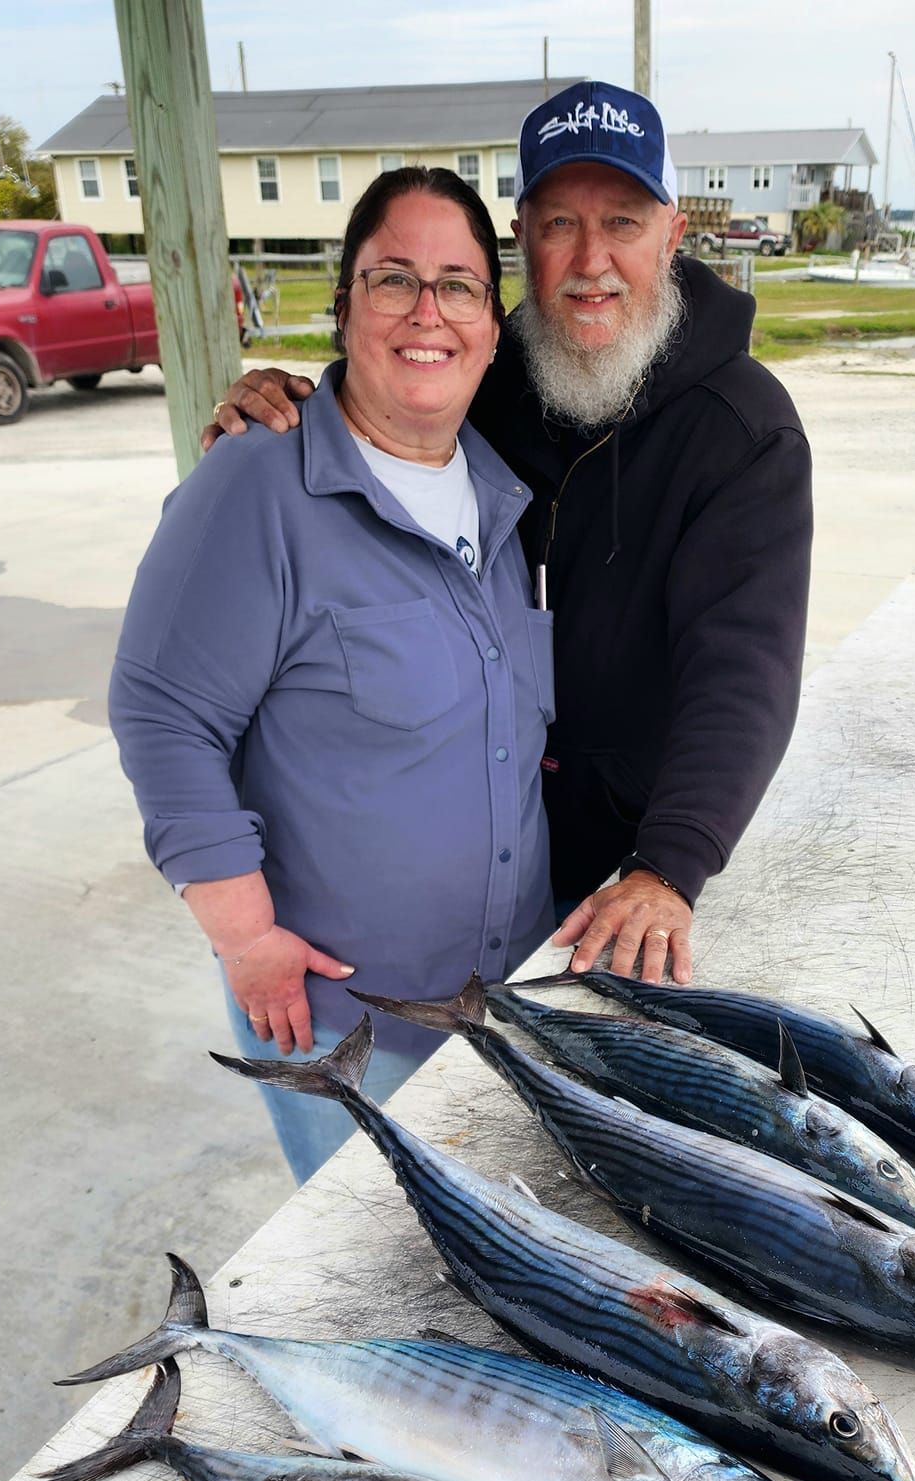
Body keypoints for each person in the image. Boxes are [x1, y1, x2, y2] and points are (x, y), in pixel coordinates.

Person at [207, 80, 813, 990]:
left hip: (630, 871)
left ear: (674, 235)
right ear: (522, 236)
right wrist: (291, 400)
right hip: (479, 855)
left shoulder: (744, 430)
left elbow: (746, 669)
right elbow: (383, 386)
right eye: (560, 223)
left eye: (623, 223)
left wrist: (668, 866)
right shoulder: (479, 382)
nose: (591, 259)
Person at [110, 167, 554, 1183]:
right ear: (344, 306)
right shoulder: (257, 481)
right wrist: (246, 933)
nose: (427, 311)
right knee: (375, 1281)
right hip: (345, 1026)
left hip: (501, 1006)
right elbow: (162, 712)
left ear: (492, 324)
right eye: (393, 278)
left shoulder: (501, 493)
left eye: (459, 284)